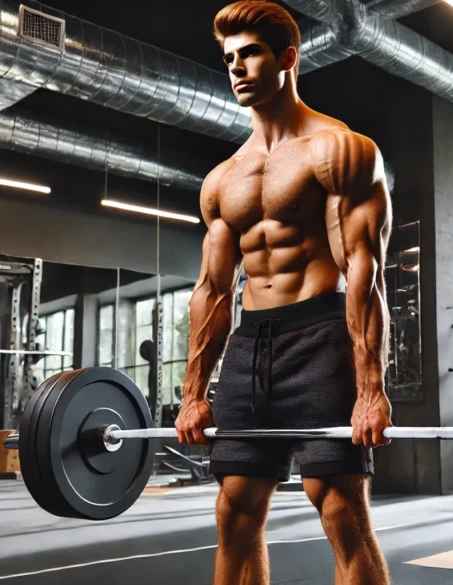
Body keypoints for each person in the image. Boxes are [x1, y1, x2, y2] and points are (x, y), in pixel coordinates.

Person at [174, 2, 393, 584]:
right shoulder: (223, 180)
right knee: (235, 513)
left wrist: (370, 389)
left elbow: (365, 273)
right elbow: (213, 290)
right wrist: (194, 391)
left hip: (320, 338)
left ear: (288, 58)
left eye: (250, 53)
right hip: (250, 349)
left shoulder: (338, 150)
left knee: (341, 510)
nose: (237, 68)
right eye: (229, 58)